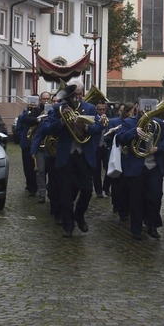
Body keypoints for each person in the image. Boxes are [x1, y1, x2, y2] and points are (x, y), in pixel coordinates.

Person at [46, 78, 103, 237]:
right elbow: (48, 128)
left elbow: (98, 127)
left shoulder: (90, 108)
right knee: (65, 193)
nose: (76, 97)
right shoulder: (58, 109)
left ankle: (79, 214)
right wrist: (63, 122)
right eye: (73, 94)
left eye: (78, 94)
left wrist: (85, 126)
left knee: (86, 190)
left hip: (84, 155)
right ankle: (68, 225)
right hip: (66, 156)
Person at [116, 99, 164, 240]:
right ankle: (136, 229)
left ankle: (152, 225)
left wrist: (158, 148)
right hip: (136, 166)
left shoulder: (158, 123)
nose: (146, 110)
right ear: (137, 107)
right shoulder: (129, 122)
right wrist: (134, 132)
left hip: (154, 166)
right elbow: (121, 138)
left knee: (155, 197)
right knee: (136, 199)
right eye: (142, 107)